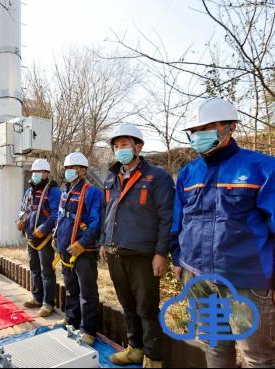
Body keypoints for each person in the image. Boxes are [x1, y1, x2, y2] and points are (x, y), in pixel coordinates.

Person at [170, 98, 275, 368]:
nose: (198, 135)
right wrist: (178, 259)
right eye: (194, 131)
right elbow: (178, 222)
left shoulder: (262, 168)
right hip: (198, 279)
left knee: (256, 356)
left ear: (230, 127)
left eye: (207, 127)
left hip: (245, 281)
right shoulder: (188, 173)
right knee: (214, 346)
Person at [99, 123, 175, 369]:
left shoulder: (157, 176)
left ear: (138, 147)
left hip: (143, 254)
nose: (119, 150)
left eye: (124, 145)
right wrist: (103, 242)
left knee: (147, 307)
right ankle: (135, 349)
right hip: (114, 251)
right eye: (116, 146)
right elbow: (106, 212)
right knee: (127, 303)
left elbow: (167, 217)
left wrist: (161, 252)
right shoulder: (112, 177)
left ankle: (153, 358)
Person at [54, 152, 102, 346]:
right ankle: (71, 319)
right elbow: (61, 216)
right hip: (66, 249)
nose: (68, 171)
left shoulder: (92, 192)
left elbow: (96, 222)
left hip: (84, 252)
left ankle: (88, 330)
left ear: (83, 170)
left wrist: (82, 243)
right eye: (66, 168)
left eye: (72, 168)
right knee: (71, 288)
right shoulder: (66, 191)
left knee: (87, 292)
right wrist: (56, 237)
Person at [17, 159, 61, 317]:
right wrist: (20, 220)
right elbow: (23, 209)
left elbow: (57, 214)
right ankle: (37, 297)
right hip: (31, 238)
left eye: (39, 172)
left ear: (47, 174)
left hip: (45, 239)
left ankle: (48, 303)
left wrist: (43, 230)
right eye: (34, 172)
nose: (35, 175)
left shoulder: (54, 192)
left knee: (47, 272)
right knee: (35, 269)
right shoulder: (29, 192)